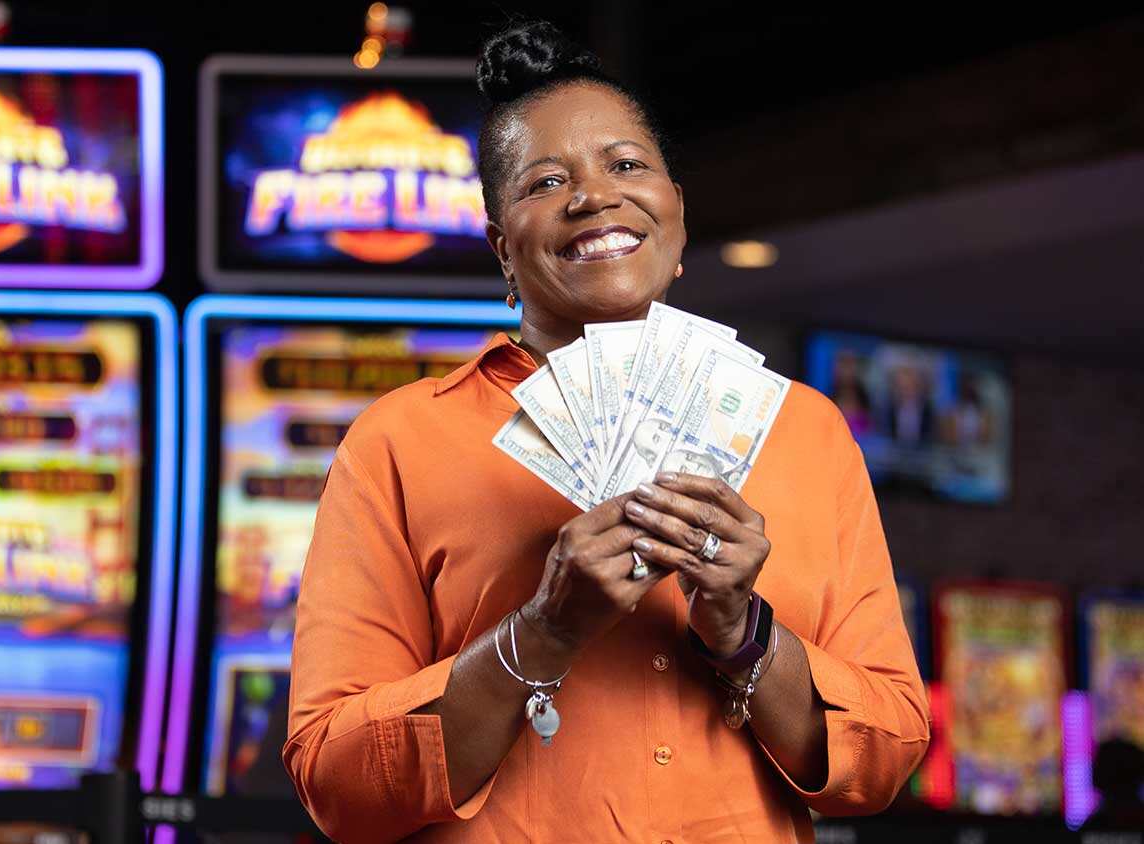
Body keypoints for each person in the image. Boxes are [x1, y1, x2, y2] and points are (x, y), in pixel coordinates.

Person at [282, 19, 929, 843]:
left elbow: (883, 764)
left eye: (627, 164)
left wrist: (742, 630)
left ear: (678, 214)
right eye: (545, 182)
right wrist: (543, 630)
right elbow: (337, 785)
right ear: (502, 251)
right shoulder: (398, 443)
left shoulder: (806, 430)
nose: (594, 195)